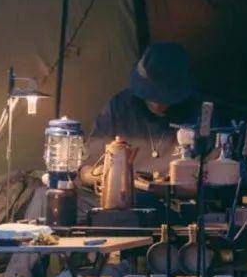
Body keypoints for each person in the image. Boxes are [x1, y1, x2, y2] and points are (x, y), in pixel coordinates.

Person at [79, 41, 204, 190]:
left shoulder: (200, 114)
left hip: (177, 204)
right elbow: (85, 170)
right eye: (152, 94)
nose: (157, 104)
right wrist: (102, 176)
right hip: (123, 202)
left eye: (165, 97)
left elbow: (212, 174)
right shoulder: (120, 107)